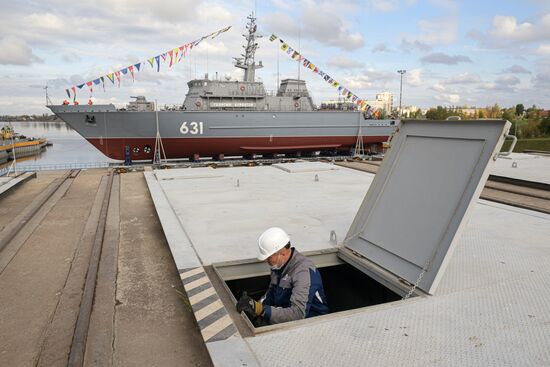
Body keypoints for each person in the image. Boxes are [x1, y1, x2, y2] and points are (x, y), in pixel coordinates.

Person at [236, 227, 329, 326]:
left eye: (269, 257)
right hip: (286, 315)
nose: (266, 260)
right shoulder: (278, 266)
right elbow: (271, 292)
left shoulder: (303, 272)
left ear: (282, 253)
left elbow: (298, 313)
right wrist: (256, 305)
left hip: (313, 323)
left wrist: (261, 310)